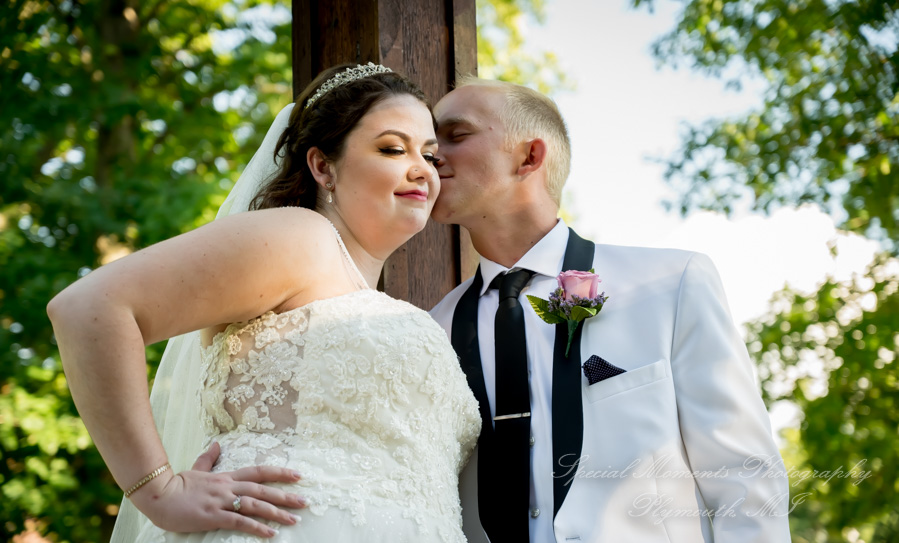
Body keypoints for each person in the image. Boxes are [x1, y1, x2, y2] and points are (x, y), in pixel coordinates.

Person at [47, 63, 481, 543]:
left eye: (430, 154)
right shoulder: (301, 236)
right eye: (392, 149)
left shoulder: (373, 301)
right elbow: (90, 308)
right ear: (323, 166)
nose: (421, 167)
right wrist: (159, 491)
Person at [428, 77, 792, 542]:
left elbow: (745, 476)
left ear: (529, 157)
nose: (431, 155)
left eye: (455, 136)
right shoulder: (431, 332)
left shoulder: (671, 285)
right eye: (428, 142)